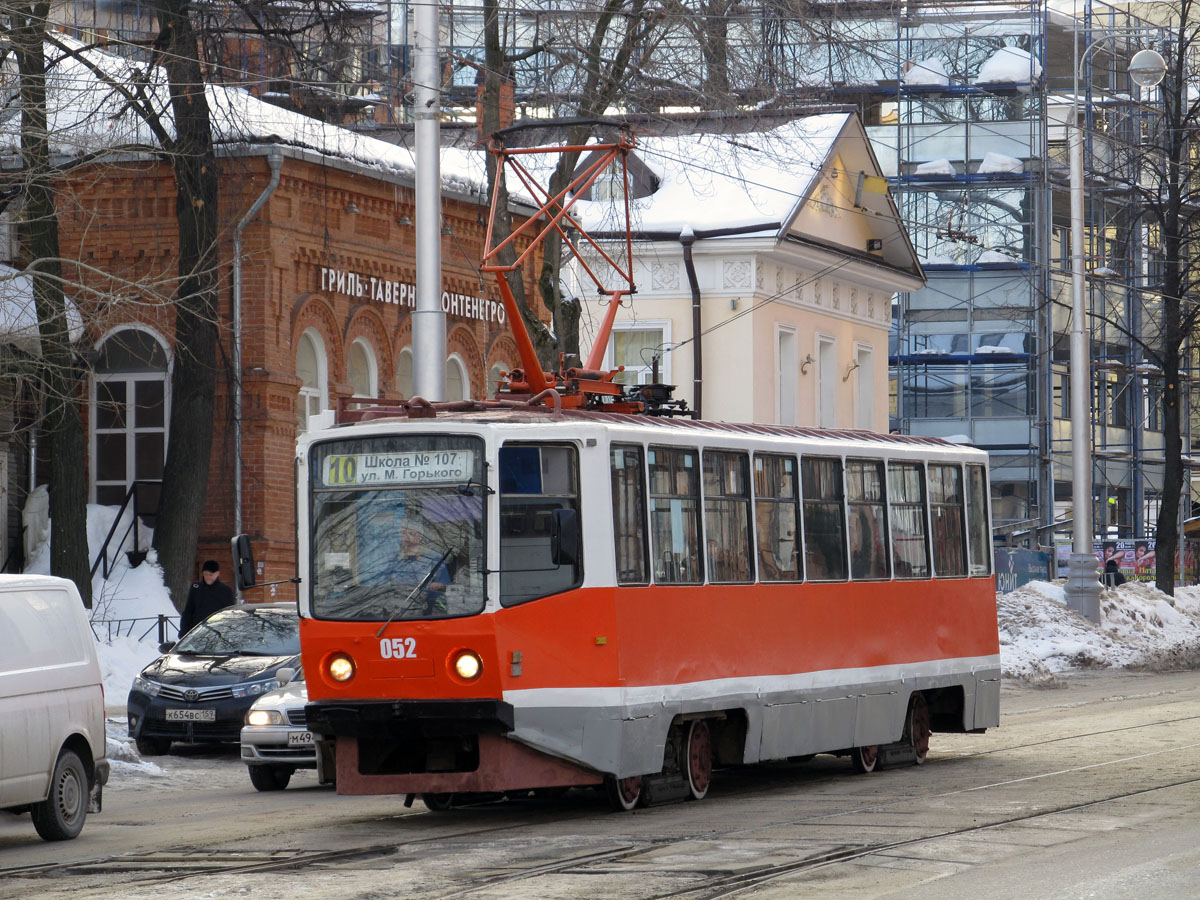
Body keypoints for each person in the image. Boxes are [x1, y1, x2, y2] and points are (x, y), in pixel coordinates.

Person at [179, 560, 235, 636]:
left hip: (217, 632)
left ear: (217, 574)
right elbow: (188, 611)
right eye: (206, 574)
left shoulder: (226, 591)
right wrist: (184, 631)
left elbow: (229, 614)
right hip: (196, 631)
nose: (208, 577)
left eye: (211, 575)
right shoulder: (196, 588)